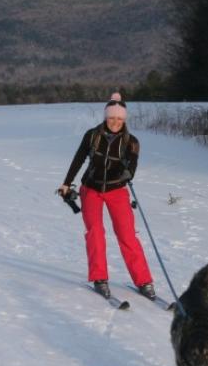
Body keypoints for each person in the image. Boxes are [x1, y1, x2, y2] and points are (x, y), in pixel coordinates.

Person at [58, 92, 155, 300]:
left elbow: (133, 166)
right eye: (112, 117)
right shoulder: (92, 135)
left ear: (124, 119)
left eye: (119, 118)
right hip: (91, 189)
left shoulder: (132, 142)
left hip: (117, 190)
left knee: (127, 235)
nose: (115, 122)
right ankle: (99, 278)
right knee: (95, 232)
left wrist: (125, 172)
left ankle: (144, 281)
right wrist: (67, 183)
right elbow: (78, 159)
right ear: (106, 117)